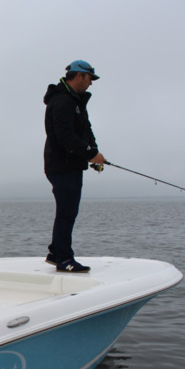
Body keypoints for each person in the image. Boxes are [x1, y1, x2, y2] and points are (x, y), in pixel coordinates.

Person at [43, 60, 106, 273]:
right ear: (79, 75)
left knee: (68, 211)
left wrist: (94, 152)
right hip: (62, 166)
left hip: (72, 164)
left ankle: (55, 253)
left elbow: (85, 130)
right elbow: (65, 136)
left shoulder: (76, 101)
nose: (91, 83)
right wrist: (90, 154)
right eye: (90, 78)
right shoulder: (62, 101)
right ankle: (64, 259)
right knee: (66, 212)